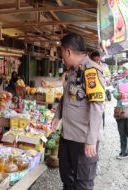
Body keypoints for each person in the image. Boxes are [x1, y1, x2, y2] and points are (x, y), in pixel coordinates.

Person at [52, 33, 105, 190]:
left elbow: (97, 106)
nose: (62, 58)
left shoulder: (91, 71)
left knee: (82, 183)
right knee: (67, 179)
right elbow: (66, 97)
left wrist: (91, 140)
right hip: (68, 136)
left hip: (83, 139)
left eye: (62, 53)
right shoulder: (73, 71)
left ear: (68, 52)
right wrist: (57, 115)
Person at [113, 63, 128, 159]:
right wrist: (119, 95)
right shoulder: (119, 82)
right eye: (124, 69)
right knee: (122, 132)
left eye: (126, 69)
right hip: (121, 110)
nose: (124, 71)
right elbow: (114, 93)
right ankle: (124, 152)